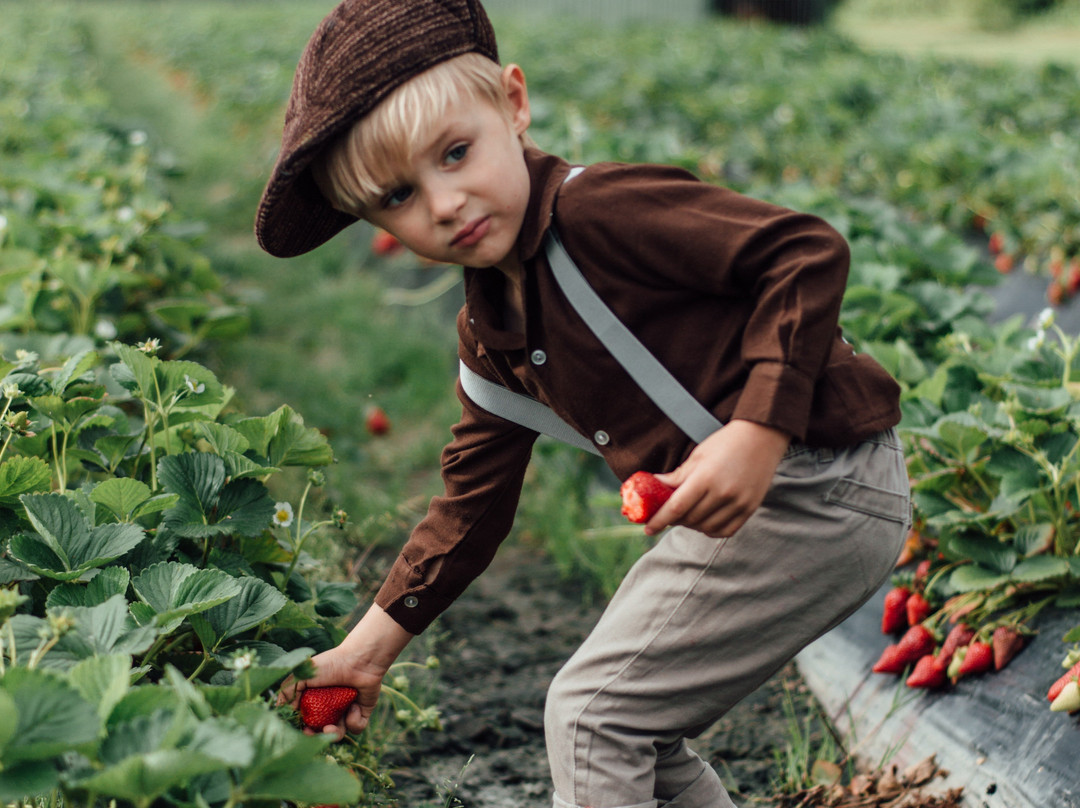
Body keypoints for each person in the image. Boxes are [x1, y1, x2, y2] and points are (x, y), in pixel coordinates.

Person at [257, 1, 910, 806]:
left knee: (591, 716)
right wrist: (364, 653)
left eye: (456, 153)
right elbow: (470, 506)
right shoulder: (492, 333)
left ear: (515, 105)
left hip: (821, 483)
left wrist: (757, 431)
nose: (445, 203)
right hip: (742, 511)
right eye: (398, 197)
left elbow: (804, 253)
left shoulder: (601, 212)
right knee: (632, 726)